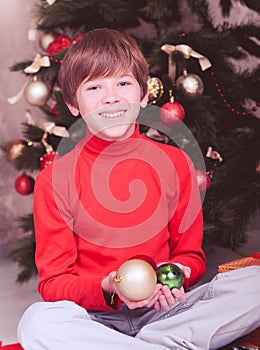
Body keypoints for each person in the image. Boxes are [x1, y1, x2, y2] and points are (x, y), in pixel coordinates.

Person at [17, 28, 259, 350]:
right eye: (94, 87)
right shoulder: (55, 180)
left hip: (166, 313)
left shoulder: (175, 164)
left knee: (254, 282)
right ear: (74, 105)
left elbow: (191, 256)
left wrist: (175, 273)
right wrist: (107, 288)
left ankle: (153, 343)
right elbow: (54, 283)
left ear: (143, 97)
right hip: (96, 319)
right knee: (36, 322)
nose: (111, 97)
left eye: (123, 83)